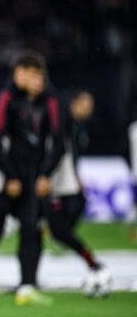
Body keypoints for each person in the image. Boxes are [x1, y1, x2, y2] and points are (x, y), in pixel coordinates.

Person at [0, 51, 64, 306]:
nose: (38, 81)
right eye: (33, 75)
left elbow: (56, 142)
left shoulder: (46, 103)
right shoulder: (4, 100)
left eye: (40, 76)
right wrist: (9, 176)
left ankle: (27, 286)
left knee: (31, 230)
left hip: (31, 178)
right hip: (1, 179)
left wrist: (45, 174)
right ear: (18, 73)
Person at [46, 90, 111, 296]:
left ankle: (92, 263)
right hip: (54, 183)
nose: (89, 108)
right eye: (85, 103)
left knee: (61, 231)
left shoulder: (75, 126)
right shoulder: (62, 121)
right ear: (74, 102)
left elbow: (70, 154)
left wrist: (75, 177)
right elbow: (58, 151)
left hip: (66, 183)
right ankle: (93, 263)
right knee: (57, 231)